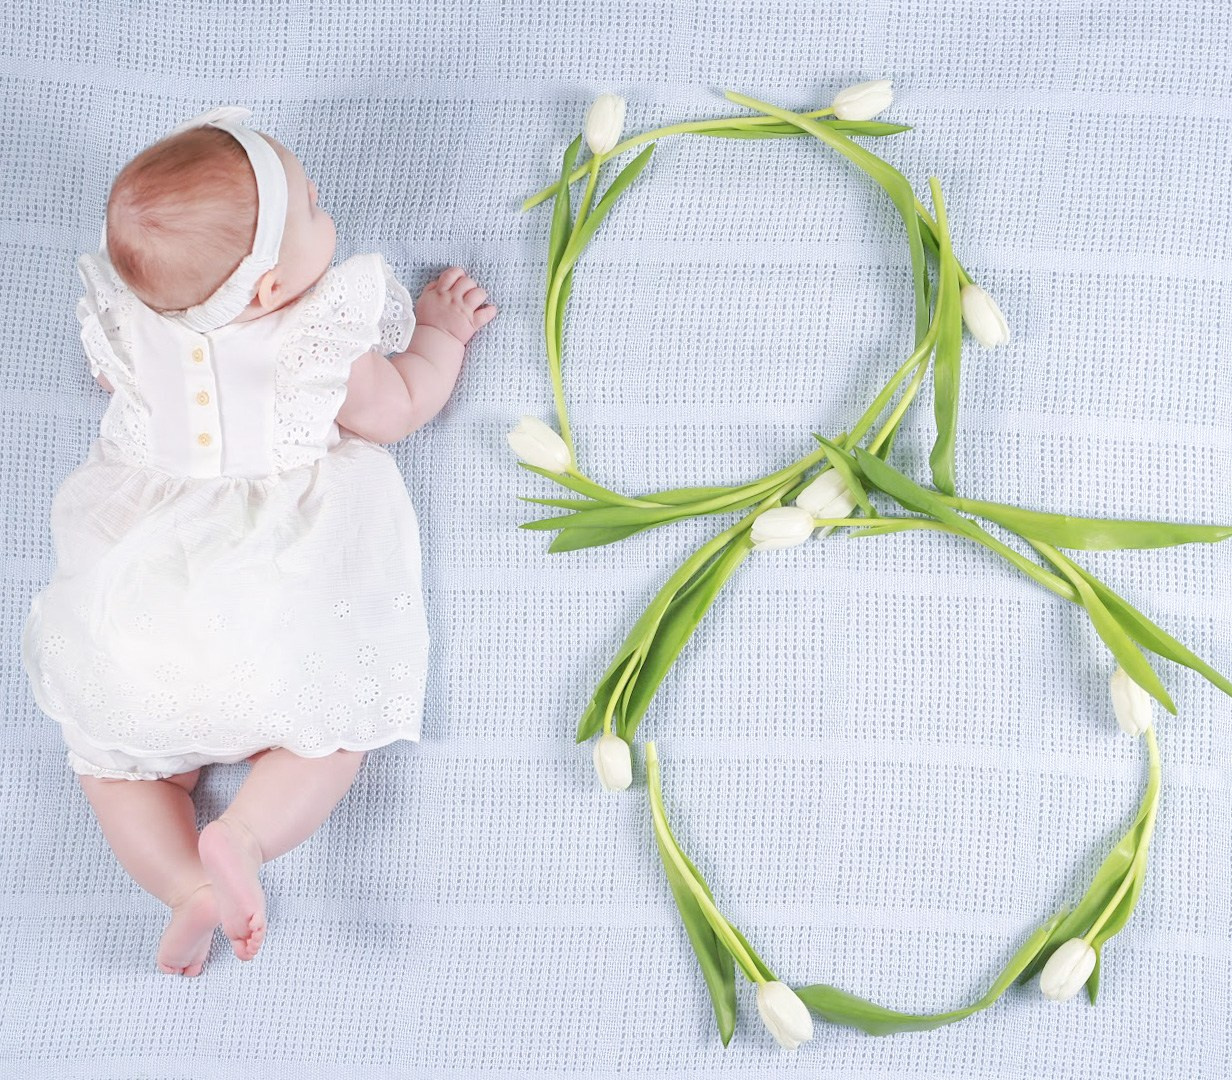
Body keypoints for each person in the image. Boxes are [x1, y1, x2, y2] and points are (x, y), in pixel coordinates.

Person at [21, 106, 497, 976]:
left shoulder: (133, 322)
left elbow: (106, 378)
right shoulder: (315, 333)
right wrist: (442, 334)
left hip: (140, 616)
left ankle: (181, 886)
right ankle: (242, 838)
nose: (326, 206)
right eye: (313, 205)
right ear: (272, 289)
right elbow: (396, 410)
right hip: (278, 609)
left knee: (116, 766)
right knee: (327, 740)